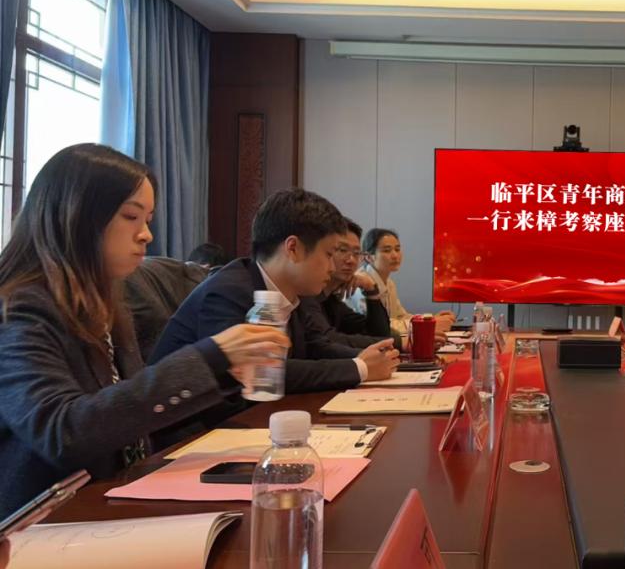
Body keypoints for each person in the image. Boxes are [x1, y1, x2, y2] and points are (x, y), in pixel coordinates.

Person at [0, 144, 289, 516]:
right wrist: (210, 357)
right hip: (45, 525)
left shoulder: (104, 301)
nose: (146, 235)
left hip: (113, 500)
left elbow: (129, 414)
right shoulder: (20, 306)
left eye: (148, 219)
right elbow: (62, 432)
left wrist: (225, 369)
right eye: (131, 216)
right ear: (77, 216)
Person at [150, 188, 400, 440]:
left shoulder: (295, 293)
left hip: (252, 425)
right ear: (293, 248)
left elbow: (317, 346)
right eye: (328, 254)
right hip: (189, 439)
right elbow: (259, 372)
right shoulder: (229, 290)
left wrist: (372, 359)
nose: (333, 265)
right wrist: (360, 368)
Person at [360, 228, 455, 337]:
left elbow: (401, 316)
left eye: (397, 249)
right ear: (369, 257)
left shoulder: (389, 283)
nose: (395, 255)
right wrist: (426, 324)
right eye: (387, 250)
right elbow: (377, 326)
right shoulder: (362, 283)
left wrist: (429, 319)